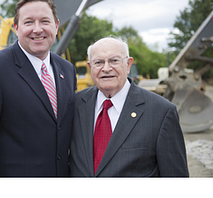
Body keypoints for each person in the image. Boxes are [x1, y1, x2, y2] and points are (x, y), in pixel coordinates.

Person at [0, 0, 77, 177]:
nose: (37, 29)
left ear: (56, 26)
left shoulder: (67, 69)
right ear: (16, 27)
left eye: (45, 21)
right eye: (28, 22)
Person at [70, 36, 189, 177]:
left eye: (114, 60)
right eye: (99, 62)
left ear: (128, 64)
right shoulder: (75, 105)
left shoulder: (161, 112)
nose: (106, 68)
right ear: (90, 67)